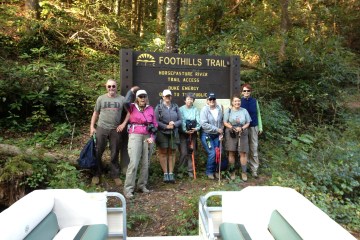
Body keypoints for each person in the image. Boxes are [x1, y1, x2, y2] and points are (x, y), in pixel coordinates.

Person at [90, 79, 128, 185]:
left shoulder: (122, 99)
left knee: (115, 152)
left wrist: (123, 124)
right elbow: (95, 113)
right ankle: (97, 174)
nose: (111, 88)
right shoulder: (101, 99)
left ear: (117, 87)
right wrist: (92, 127)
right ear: (106, 87)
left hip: (115, 129)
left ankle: (115, 175)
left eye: (113, 86)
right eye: (109, 86)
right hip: (101, 127)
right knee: (98, 151)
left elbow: (129, 113)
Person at [123, 87, 158, 199]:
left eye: (144, 96)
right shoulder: (131, 107)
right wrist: (132, 91)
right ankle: (128, 189)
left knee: (146, 163)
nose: (143, 98)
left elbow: (155, 125)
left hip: (147, 136)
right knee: (134, 163)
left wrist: (152, 137)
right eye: (140, 96)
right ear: (137, 98)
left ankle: (142, 185)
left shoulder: (150, 109)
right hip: (135, 135)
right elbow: (125, 101)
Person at [155, 89, 182, 183]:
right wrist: (166, 126)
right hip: (162, 132)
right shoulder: (158, 107)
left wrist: (174, 124)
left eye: (169, 96)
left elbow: (180, 120)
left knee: (172, 152)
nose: (167, 98)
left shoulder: (175, 107)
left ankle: (171, 173)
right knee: (163, 152)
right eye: (166, 96)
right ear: (162, 97)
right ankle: (165, 174)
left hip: (173, 132)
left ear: (171, 97)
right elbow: (156, 121)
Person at [223, 95, 251, 181]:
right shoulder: (228, 111)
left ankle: (244, 172)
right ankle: (232, 172)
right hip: (231, 132)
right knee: (231, 152)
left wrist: (242, 128)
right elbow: (225, 122)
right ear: (232, 102)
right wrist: (233, 128)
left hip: (243, 132)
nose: (237, 103)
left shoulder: (244, 111)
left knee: (243, 153)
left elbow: (248, 122)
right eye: (235, 101)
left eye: (238, 101)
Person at [200, 92, 224, 179]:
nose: (212, 101)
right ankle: (209, 172)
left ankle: (217, 171)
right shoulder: (204, 110)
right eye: (210, 99)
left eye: (213, 99)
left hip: (217, 135)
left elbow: (222, 122)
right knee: (212, 153)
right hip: (207, 135)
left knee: (219, 152)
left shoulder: (219, 109)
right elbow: (204, 124)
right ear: (207, 100)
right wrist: (216, 129)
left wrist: (221, 132)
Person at [241, 83, 263, 178]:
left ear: (250, 92)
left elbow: (258, 114)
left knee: (254, 148)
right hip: (243, 128)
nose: (246, 92)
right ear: (242, 92)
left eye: (248, 91)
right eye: (244, 91)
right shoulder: (239, 101)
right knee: (245, 149)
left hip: (254, 127)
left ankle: (254, 170)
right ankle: (245, 169)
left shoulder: (255, 101)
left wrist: (260, 127)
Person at [178, 93, 201, 178]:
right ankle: (180, 170)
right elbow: (182, 120)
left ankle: (190, 170)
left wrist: (196, 128)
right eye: (188, 99)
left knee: (192, 152)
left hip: (193, 133)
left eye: (191, 99)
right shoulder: (180, 109)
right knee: (183, 152)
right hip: (183, 134)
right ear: (185, 100)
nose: (190, 100)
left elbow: (198, 120)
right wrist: (185, 130)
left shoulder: (195, 109)